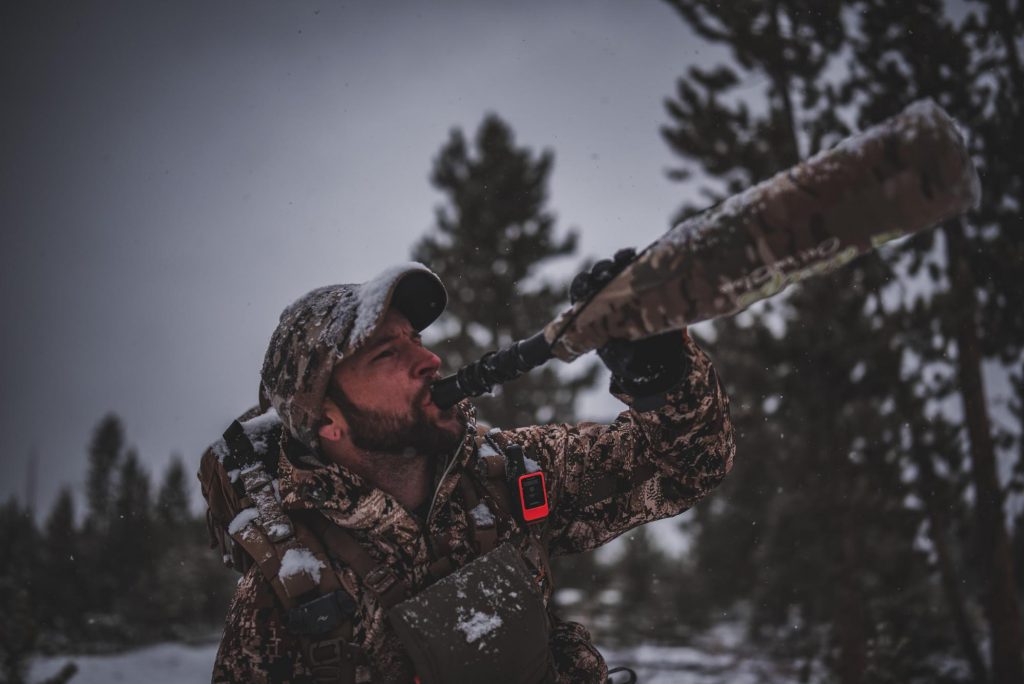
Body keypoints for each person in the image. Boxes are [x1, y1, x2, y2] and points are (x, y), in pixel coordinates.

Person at [208, 261, 734, 683]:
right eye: (388, 352)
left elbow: (689, 464)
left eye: (415, 338)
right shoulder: (287, 596)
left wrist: (661, 372)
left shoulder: (510, 472)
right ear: (326, 419)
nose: (430, 360)